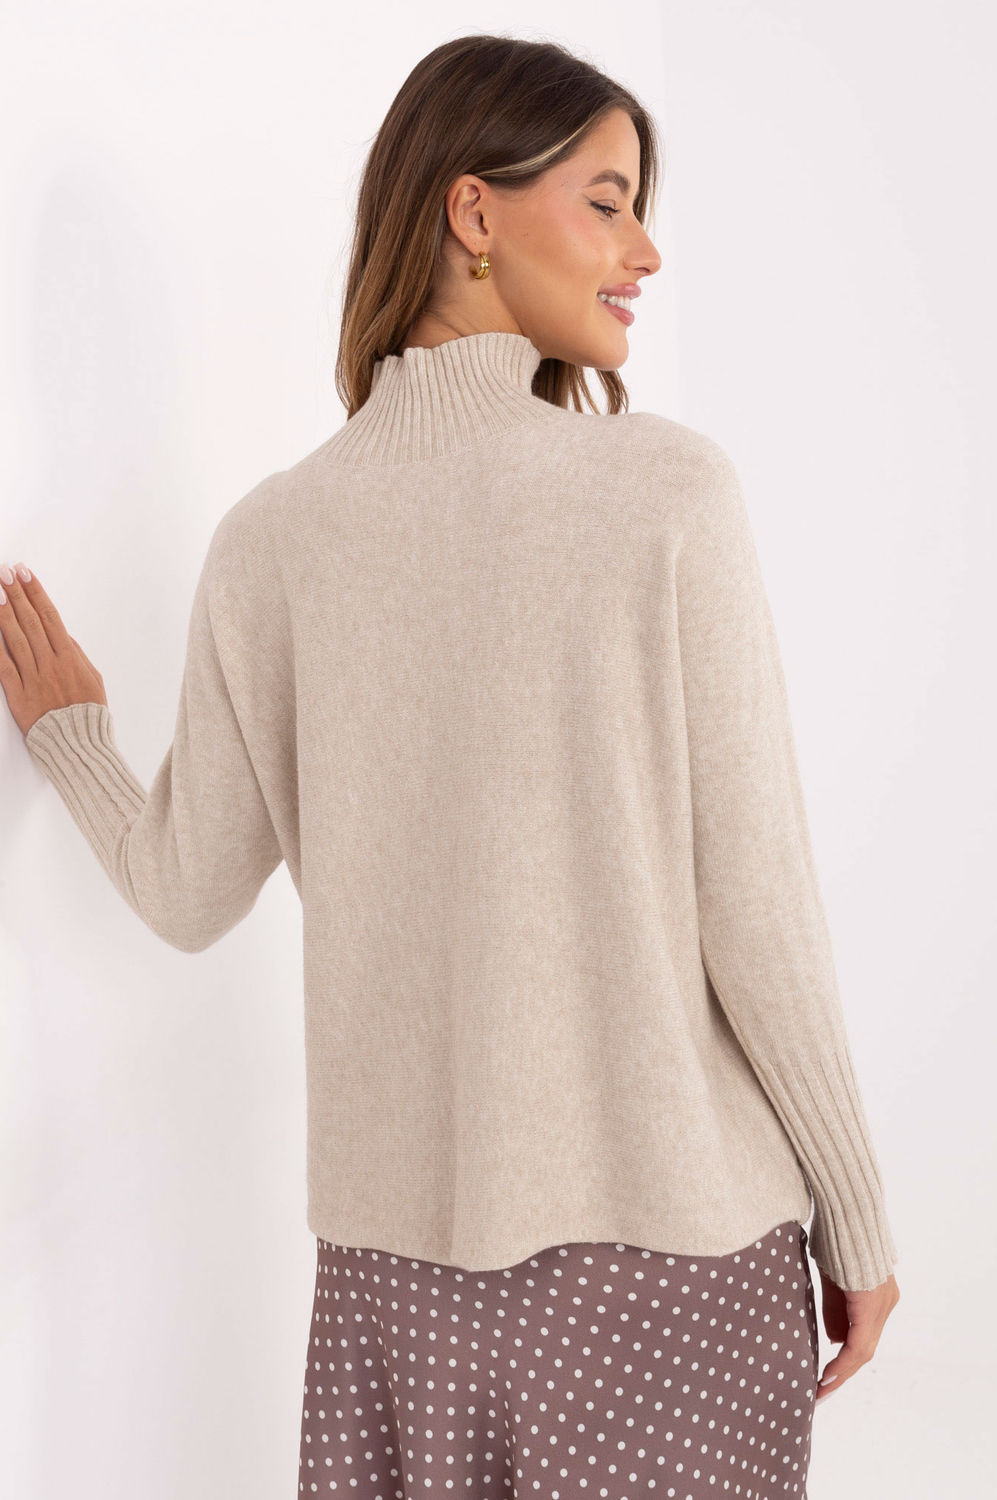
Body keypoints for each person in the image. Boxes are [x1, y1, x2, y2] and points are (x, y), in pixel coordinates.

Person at [2, 32, 899, 1498]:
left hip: (399, 1301)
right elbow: (759, 906)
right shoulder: (668, 495)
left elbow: (183, 890)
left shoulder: (272, 542)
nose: (646, 251)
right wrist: (856, 1220)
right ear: (472, 211)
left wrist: (76, 744)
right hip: (674, 1276)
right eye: (608, 202)